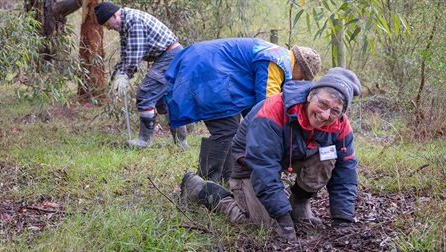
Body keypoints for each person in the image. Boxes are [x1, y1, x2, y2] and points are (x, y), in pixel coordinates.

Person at [179, 67, 361, 241]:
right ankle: (199, 188)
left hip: (292, 156)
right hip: (250, 162)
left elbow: (345, 171)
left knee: (327, 157)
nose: (325, 115)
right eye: (322, 104)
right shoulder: (273, 111)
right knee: (263, 225)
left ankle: (299, 202)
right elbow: (263, 167)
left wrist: (342, 220)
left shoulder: (340, 125)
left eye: (335, 111)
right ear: (310, 96)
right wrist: (282, 217)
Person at [165, 38, 321, 183]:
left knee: (233, 131)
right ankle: (205, 182)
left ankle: (227, 177)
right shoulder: (277, 62)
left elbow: (252, 109)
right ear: (299, 68)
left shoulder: (276, 55)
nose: (299, 81)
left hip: (208, 66)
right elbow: (267, 104)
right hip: (209, 71)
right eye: (303, 77)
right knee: (226, 131)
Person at [94, 2, 189, 148]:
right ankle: (181, 143)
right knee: (165, 100)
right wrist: (118, 74)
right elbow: (126, 54)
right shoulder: (125, 25)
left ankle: (144, 141)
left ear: (114, 15)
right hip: (166, 56)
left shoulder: (133, 21)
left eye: (108, 24)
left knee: (145, 94)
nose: (109, 28)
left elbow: (135, 55)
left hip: (170, 56)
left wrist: (126, 75)